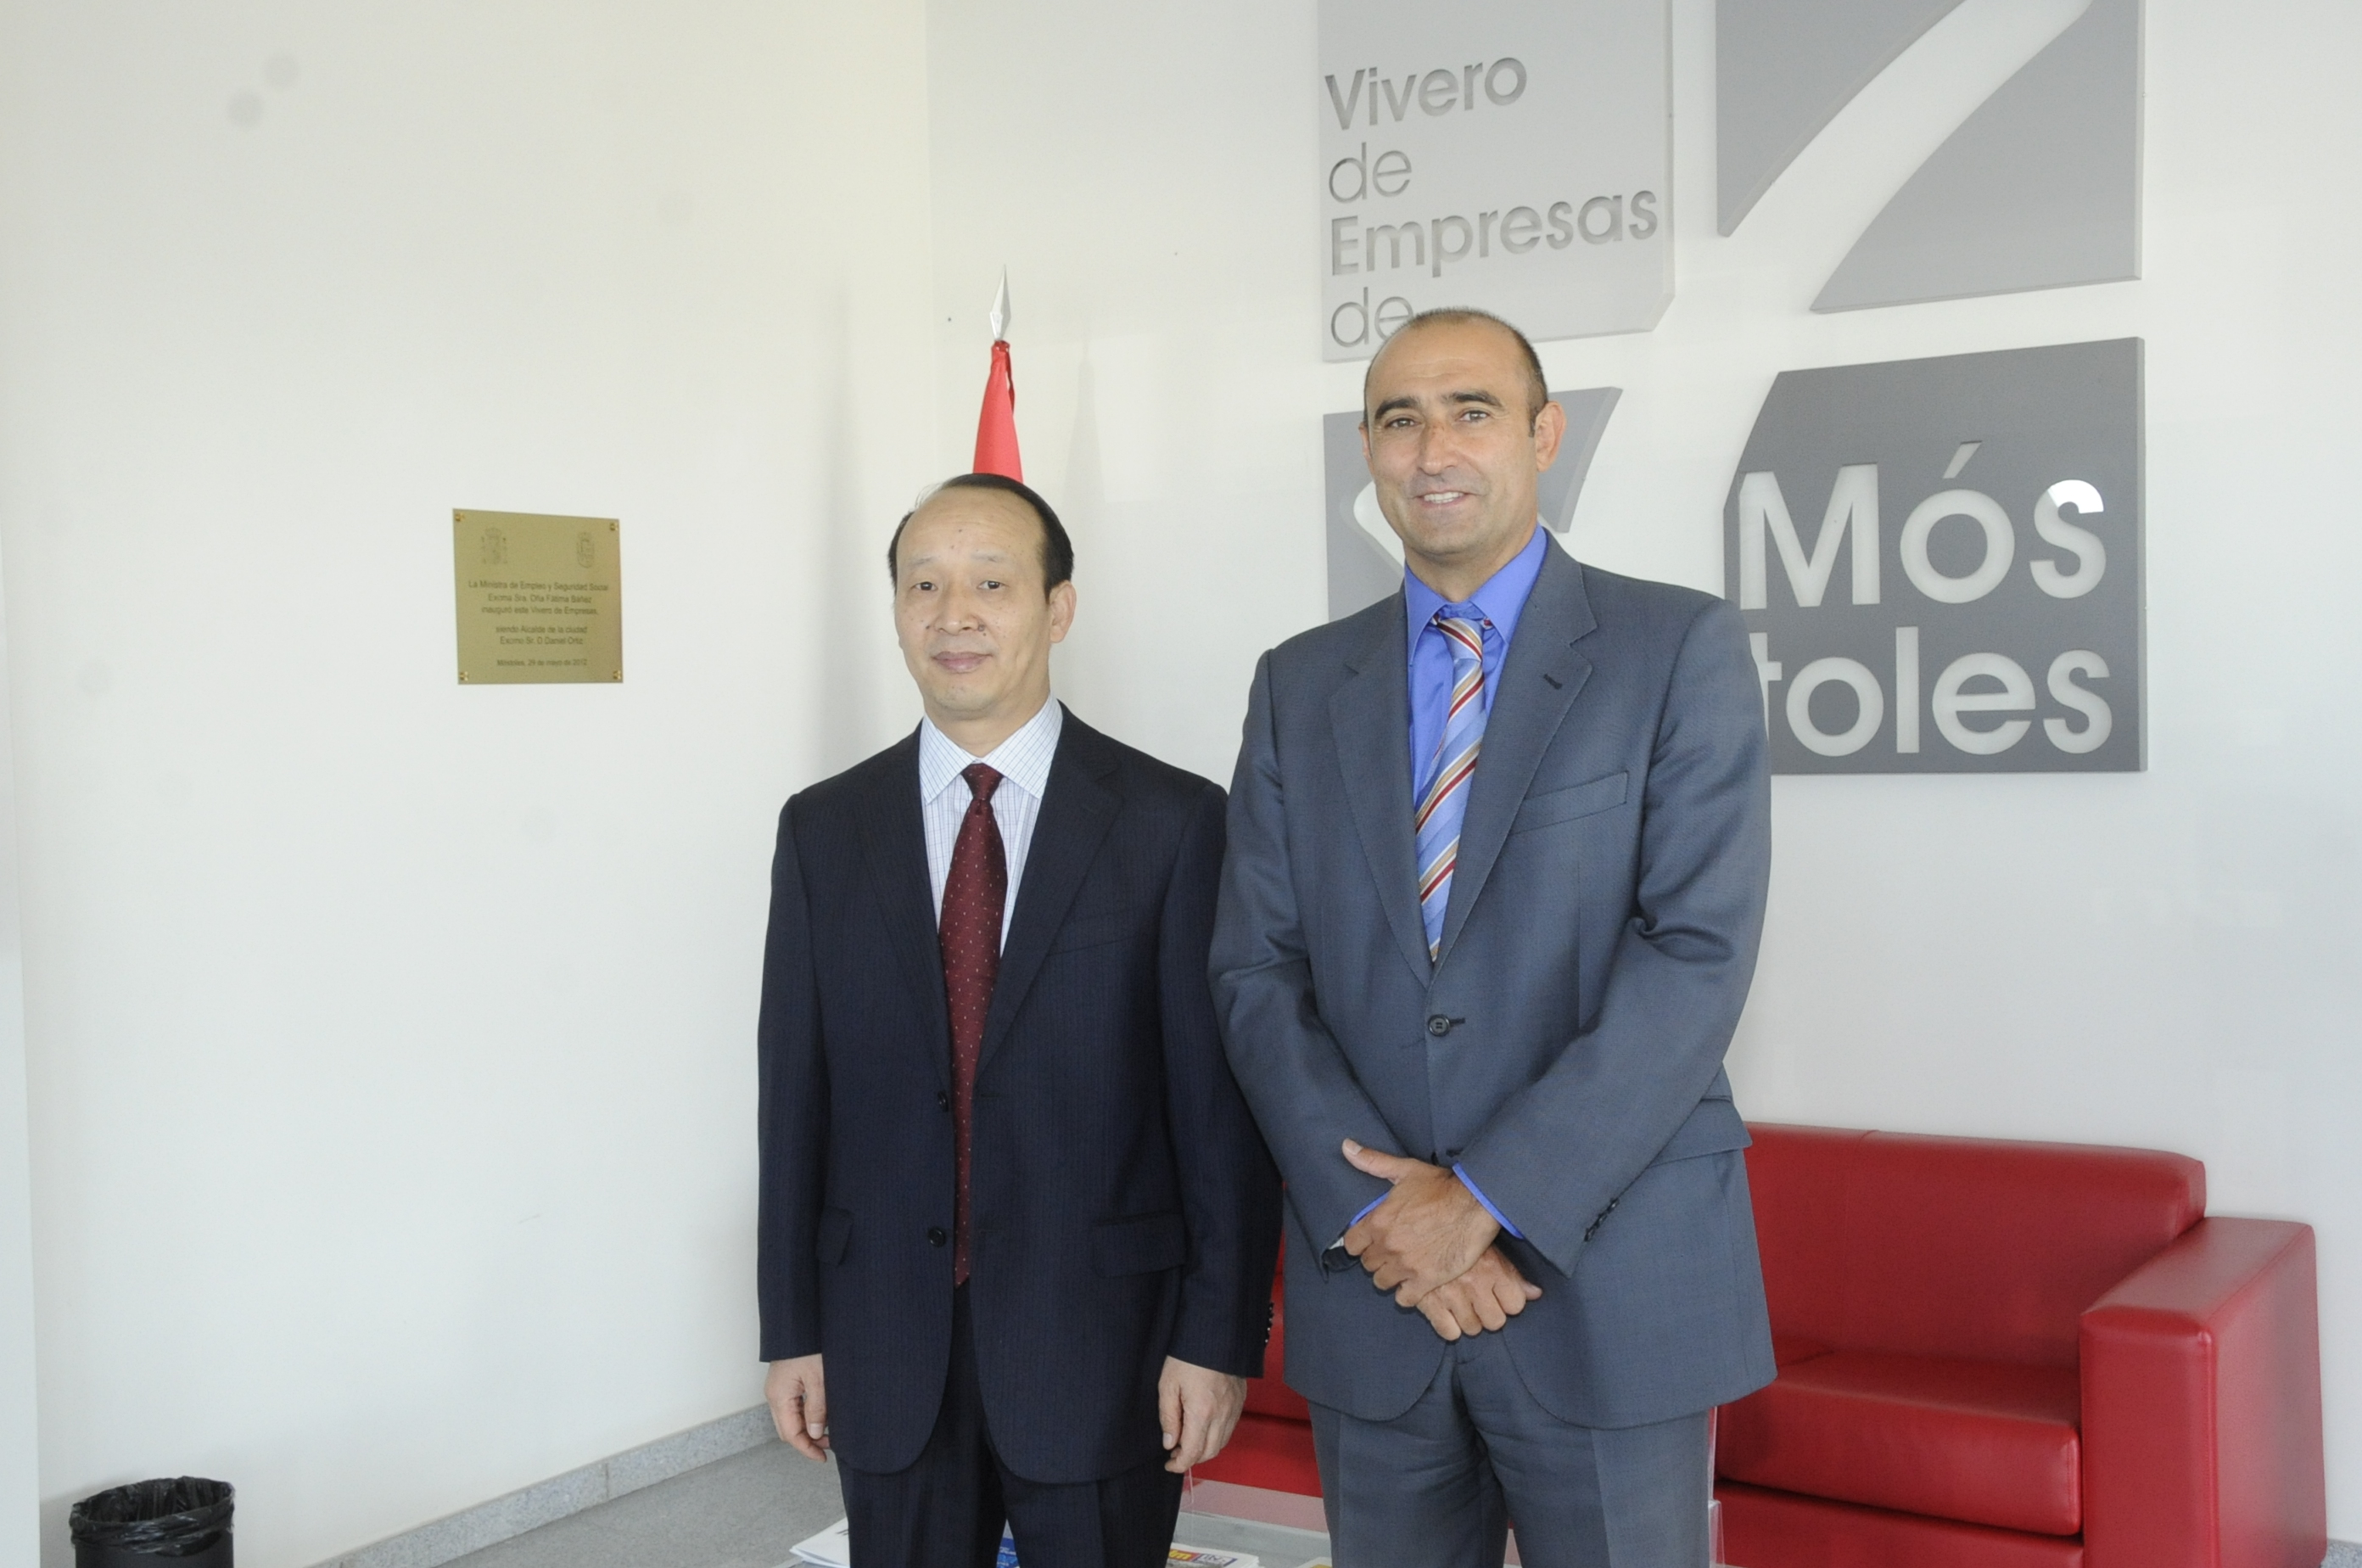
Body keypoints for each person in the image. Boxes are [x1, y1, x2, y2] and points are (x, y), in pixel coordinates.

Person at [1212, 310, 1775, 1567]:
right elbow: (1256, 969)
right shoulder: (1298, 684)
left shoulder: (1675, 648)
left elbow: (1695, 956)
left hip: (1607, 1281)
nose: (1434, 450)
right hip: (1377, 1287)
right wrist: (1388, 1214)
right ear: (1369, 449)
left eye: (1472, 411)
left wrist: (1481, 1201)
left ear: (1543, 434)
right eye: (1400, 419)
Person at [755, 473, 1280, 1568]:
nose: (955, 615)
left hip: (1103, 1347)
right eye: (924, 586)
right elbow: (793, 1101)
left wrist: (1217, 1339)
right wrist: (790, 1328)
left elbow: (1217, 1116)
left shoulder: (1173, 823)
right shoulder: (823, 830)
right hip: (886, 1343)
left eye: (991, 583)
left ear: (1058, 607)